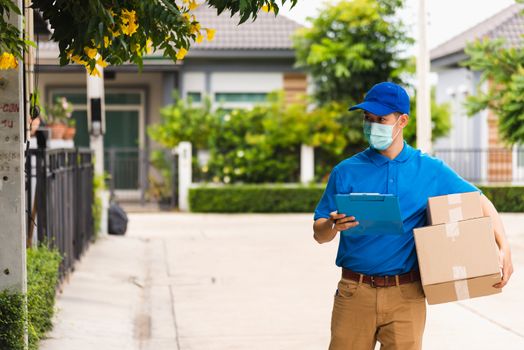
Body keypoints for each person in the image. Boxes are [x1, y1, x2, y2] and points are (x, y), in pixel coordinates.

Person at [312, 82, 514, 350]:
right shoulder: (346, 171)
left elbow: (480, 200)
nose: (372, 126)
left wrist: (504, 247)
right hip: (354, 292)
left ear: (402, 121)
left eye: (381, 119)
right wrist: (332, 225)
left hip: (406, 295)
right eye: (367, 119)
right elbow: (319, 233)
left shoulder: (429, 169)